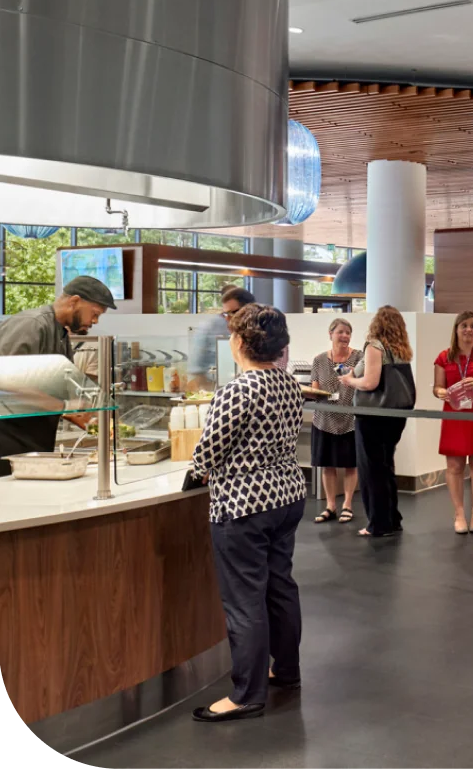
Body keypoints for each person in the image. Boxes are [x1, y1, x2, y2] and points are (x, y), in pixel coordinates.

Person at [190, 304, 305, 722]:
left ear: (238, 342)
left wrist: (198, 467)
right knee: (280, 587)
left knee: (244, 601)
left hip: (243, 505)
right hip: (286, 496)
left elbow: (207, 452)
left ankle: (247, 694)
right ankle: (286, 670)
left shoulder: (238, 389)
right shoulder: (289, 385)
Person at [0, 276, 116, 476]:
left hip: (34, 442)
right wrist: (65, 408)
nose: (95, 321)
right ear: (74, 301)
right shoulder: (31, 324)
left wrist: (88, 418)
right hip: (7, 442)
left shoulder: (61, 334)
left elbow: (61, 390)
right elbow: (5, 381)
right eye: (95, 314)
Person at [340, 306, 415, 537]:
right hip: (395, 415)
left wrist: (350, 380)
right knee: (385, 466)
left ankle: (378, 523)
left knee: (372, 470)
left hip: (373, 415)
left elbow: (370, 383)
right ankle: (392, 519)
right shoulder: (401, 350)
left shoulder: (375, 347)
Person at [433, 311, 473, 534]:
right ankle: (458, 513)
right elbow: (437, 387)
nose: (469, 330)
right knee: (454, 466)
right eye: (464, 326)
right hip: (454, 414)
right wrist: (441, 392)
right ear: (456, 329)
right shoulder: (444, 357)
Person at [310, 318, 362, 525]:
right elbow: (315, 389)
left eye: (348, 332)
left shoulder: (359, 357)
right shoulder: (319, 360)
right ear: (330, 334)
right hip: (324, 419)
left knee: (351, 464)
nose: (345, 336)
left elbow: (365, 384)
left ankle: (347, 504)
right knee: (327, 464)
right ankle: (330, 506)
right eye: (340, 332)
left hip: (351, 419)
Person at [189, 287, 256, 390]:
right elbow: (197, 370)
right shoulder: (210, 328)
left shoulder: (261, 331)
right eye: (226, 314)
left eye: (232, 313)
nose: (228, 318)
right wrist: (219, 393)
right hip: (223, 393)